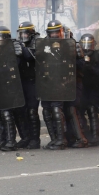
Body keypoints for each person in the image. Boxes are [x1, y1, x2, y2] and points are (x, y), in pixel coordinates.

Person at [76, 33, 99, 147]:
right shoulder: (78, 55)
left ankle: (96, 137)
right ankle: (86, 135)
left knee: (92, 110)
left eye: (89, 45)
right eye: (84, 44)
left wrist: (91, 68)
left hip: (94, 86)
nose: (86, 48)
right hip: (82, 87)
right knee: (79, 111)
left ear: (94, 45)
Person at [41, 20, 69, 150]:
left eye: (56, 32)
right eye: (51, 33)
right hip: (46, 83)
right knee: (46, 110)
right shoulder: (43, 44)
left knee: (57, 110)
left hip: (60, 81)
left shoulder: (67, 44)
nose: (53, 35)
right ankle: (53, 139)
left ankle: (61, 139)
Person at [14, 21, 41, 149]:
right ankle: (25, 137)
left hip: (33, 81)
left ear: (31, 33)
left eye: (25, 33)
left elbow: (32, 57)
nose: (23, 36)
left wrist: (22, 49)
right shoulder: (18, 44)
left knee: (32, 111)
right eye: (21, 33)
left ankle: (35, 140)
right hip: (20, 82)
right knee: (20, 110)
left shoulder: (38, 42)